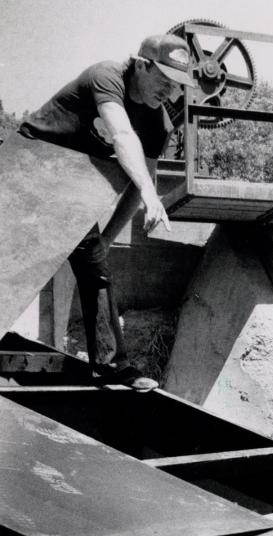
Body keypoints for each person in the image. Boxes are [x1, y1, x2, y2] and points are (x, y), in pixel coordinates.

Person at [19, 33, 198, 390]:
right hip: (27, 165)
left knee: (96, 268)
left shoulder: (159, 124)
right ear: (142, 66)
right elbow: (121, 136)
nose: (168, 92)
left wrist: (107, 237)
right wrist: (151, 192)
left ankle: (112, 366)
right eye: (163, 80)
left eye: (176, 86)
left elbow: (137, 183)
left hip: (68, 185)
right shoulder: (106, 76)